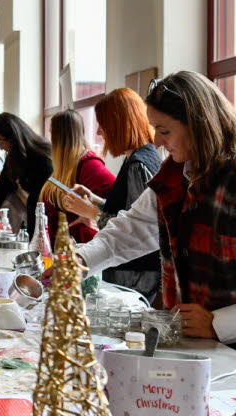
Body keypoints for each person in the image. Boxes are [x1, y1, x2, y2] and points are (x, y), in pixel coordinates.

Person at [58, 71, 236, 372]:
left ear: (198, 126)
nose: (157, 141)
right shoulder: (180, 172)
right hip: (215, 355)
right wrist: (78, 261)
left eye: (165, 131)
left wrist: (218, 323)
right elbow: (130, 231)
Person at [86, 87, 164, 302]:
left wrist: (91, 212)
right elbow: (130, 210)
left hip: (135, 277)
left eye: (102, 125)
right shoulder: (138, 157)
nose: (99, 132)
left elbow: (137, 228)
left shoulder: (138, 164)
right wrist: (97, 202)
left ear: (117, 124)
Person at [39, 109, 114, 245]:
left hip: (80, 249)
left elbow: (117, 200)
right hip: (62, 247)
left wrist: (92, 213)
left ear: (60, 137)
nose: (50, 140)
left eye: (52, 134)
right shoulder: (65, 166)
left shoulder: (89, 165)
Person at [0, 113, 54, 232]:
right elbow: (0, 190)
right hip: (32, 219)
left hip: (46, 222)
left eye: (1, 142)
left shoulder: (42, 158)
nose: (1, 147)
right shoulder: (13, 157)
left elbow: (40, 200)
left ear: (13, 137)